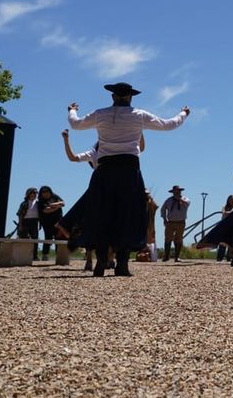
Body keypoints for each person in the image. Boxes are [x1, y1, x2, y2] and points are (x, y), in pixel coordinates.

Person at [67, 81, 189, 277]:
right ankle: (122, 264)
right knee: (128, 214)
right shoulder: (139, 115)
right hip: (128, 170)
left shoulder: (100, 114)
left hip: (104, 170)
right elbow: (168, 125)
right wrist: (183, 114)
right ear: (130, 97)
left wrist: (72, 110)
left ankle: (100, 263)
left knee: (101, 213)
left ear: (113, 96)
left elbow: (75, 124)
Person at [58, 129, 145, 271]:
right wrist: (66, 140)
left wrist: (138, 129)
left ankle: (117, 262)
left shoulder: (122, 147)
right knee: (97, 224)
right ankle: (100, 261)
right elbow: (73, 157)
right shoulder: (95, 152)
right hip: (101, 190)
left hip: (119, 189)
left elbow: (140, 147)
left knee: (122, 223)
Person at [160, 186, 190, 262]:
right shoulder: (168, 200)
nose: (177, 192)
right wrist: (164, 219)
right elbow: (163, 209)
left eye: (178, 191)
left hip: (181, 222)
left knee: (178, 239)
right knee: (167, 239)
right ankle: (166, 256)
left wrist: (179, 199)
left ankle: (177, 257)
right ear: (172, 192)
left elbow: (187, 204)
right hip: (170, 222)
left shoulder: (185, 199)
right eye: (175, 191)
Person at [37, 186, 65, 261]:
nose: (45, 193)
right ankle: (45, 255)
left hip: (58, 222)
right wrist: (57, 207)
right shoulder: (41, 201)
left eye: (47, 191)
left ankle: (58, 255)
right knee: (48, 237)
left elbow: (62, 203)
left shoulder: (55, 196)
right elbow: (46, 210)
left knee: (58, 237)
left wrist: (52, 205)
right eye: (43, 192)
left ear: (50, 191)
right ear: (41, 193)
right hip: (47, 223)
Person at [16, 187, 40, 260]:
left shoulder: (38, 204)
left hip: (35, 222)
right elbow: (20, 214)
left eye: (35, 193)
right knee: (23, 238)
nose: (34, 194)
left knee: (35, 239)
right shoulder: (24, 203)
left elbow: (41, 215)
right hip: (25, 222)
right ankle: (23, 255)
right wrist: (20, 225)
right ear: (28, 194)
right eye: (32, 193)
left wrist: (40, 224)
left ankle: (34, 256)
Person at [216, 195, 233, 262]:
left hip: (232, 226)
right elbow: (223, 212)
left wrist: (226, 213)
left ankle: (229, 257)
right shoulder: (224, 207)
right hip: (224, 226)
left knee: (230, 243)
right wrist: (226, 213)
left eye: (232, 200)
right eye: (230, 199)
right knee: (222, 242)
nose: (231, 201)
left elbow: (231, 213)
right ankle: (220, 257)